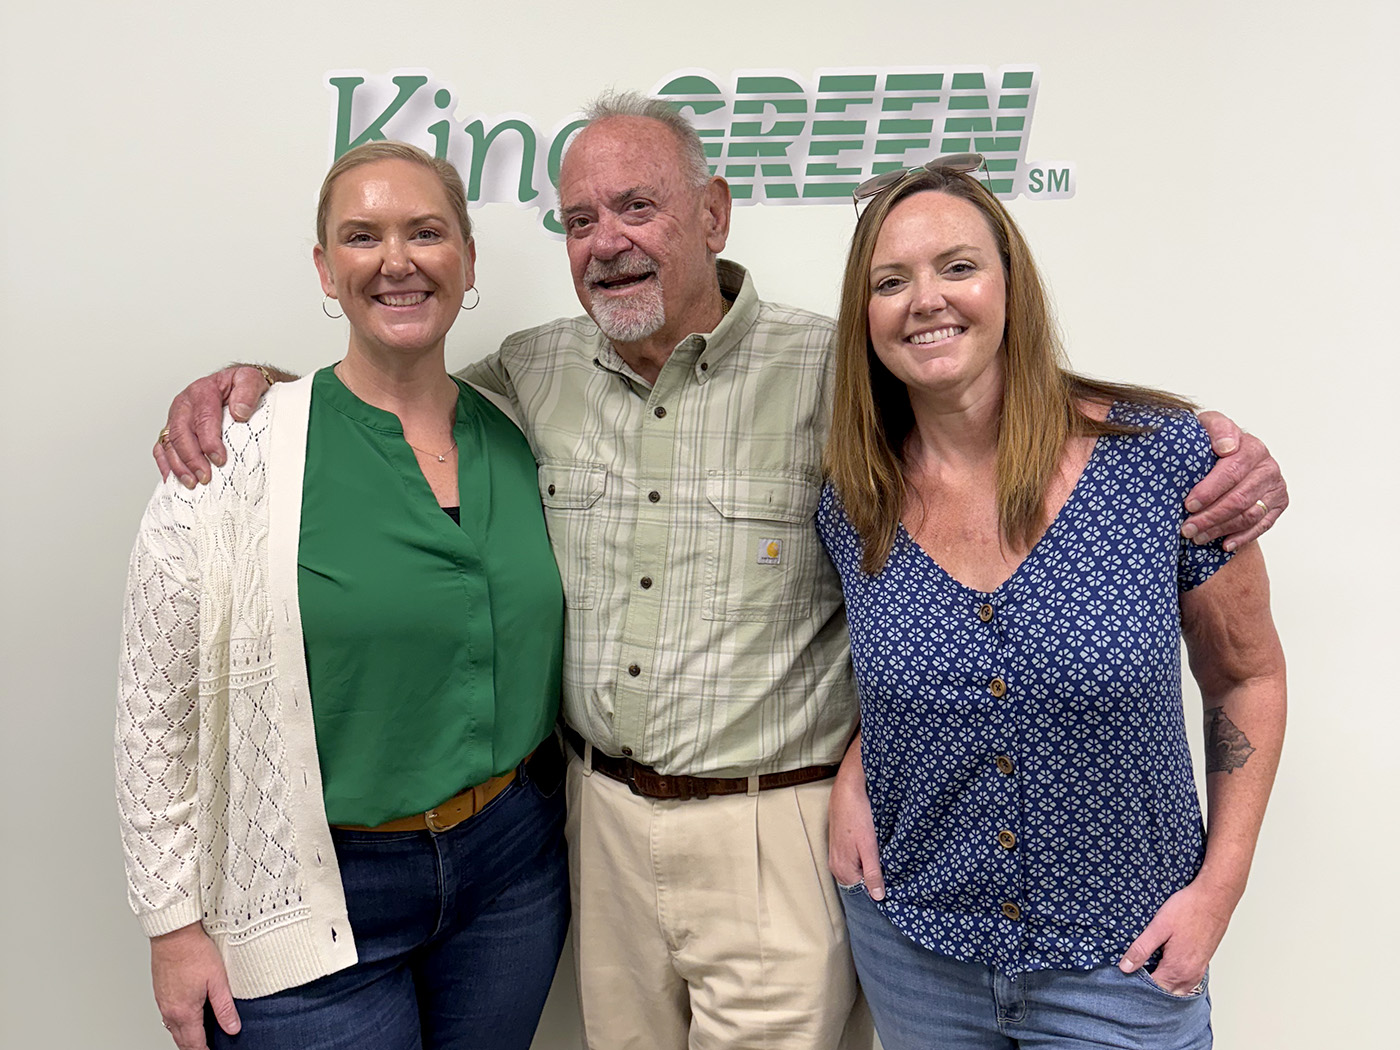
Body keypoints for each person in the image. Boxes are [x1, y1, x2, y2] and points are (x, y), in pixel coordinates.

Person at [150, 94, 1287, 1050]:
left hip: (772, 833)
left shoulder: (839, 372)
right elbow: (391, 394)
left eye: (638, 205)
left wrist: (1216, 449)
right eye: (579, 217)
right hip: (587, 828)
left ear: (711, 212)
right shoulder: (529, 376)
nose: (607, 239)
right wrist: (257, 389)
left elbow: (988, 401)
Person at [818, 157, 1286, 1049]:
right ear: (864, 317)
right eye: (890, 280)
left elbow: (1248, 677)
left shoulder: (1161, 463)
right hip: (918, 951)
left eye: (957, 266)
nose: (926, 300)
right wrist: (858, 759)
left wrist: (1216, 896)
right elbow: (909, 675)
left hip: (1123, 963)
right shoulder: (855, 499)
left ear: (1009, 284)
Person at [117, 141, 569, 1050]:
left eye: (427, 232)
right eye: (362, 237)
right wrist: (171, 925)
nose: (396, 260)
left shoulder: (522, 431)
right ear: (327, 270)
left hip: (510, 872)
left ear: (468, 259)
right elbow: (151, 714)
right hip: (312, 897)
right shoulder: (234, 458)